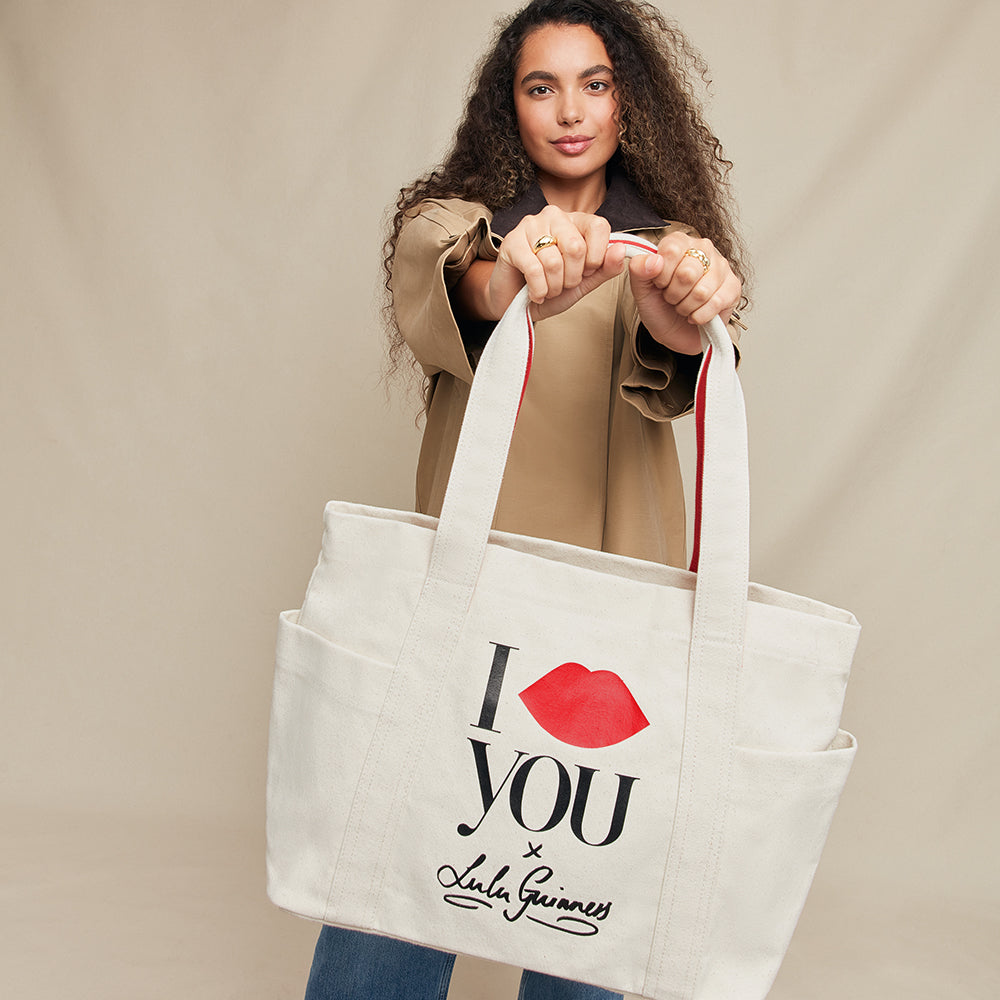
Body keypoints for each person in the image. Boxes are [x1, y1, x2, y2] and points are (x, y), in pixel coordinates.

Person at [304, 1, 748, 997]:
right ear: (509, 110)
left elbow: (672, 355)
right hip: (470, 613)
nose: (570, 110)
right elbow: (467, 284)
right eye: (539, 86)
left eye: (593, 82)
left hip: (615, 625)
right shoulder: (452, 226)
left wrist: (686, 307)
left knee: (589, 883)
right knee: (409, 850)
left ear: (628, 100)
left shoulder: (669, 251)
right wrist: (516, 277)